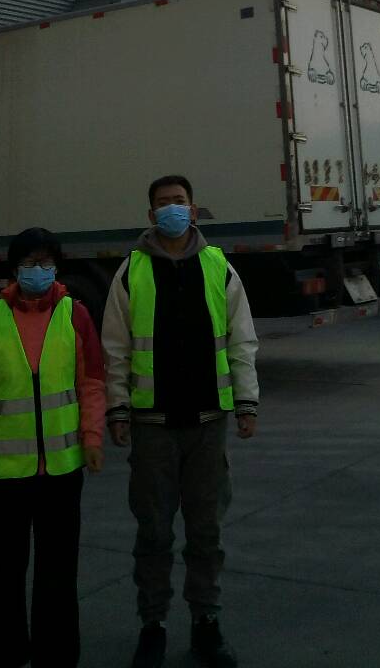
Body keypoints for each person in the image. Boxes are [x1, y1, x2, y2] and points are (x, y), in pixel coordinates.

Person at [101, 175, 259, 668]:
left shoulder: (218, 267)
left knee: (206, 532)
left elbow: (241, 339)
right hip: (152, 426)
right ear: (151, 215)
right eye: (163, 203)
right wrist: (118, 408)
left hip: (208, 424)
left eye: (179, 201)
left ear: (193, 209)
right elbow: (115, 348)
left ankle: (206, 621)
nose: (172, 208)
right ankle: (153, 625)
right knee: (153, 533)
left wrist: (247, 401)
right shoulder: (131, 271)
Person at [0, 227, 106, 668]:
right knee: (7, 569)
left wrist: (92, 437)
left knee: (58, 571)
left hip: (61, 470)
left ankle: (56, 656)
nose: (37, 270)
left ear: (57, 267)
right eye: (28, 262)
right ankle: (5, 654)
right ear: (14, 268)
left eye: (45, 262)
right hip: (5, 472)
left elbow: (91, 381)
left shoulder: (75, 315)